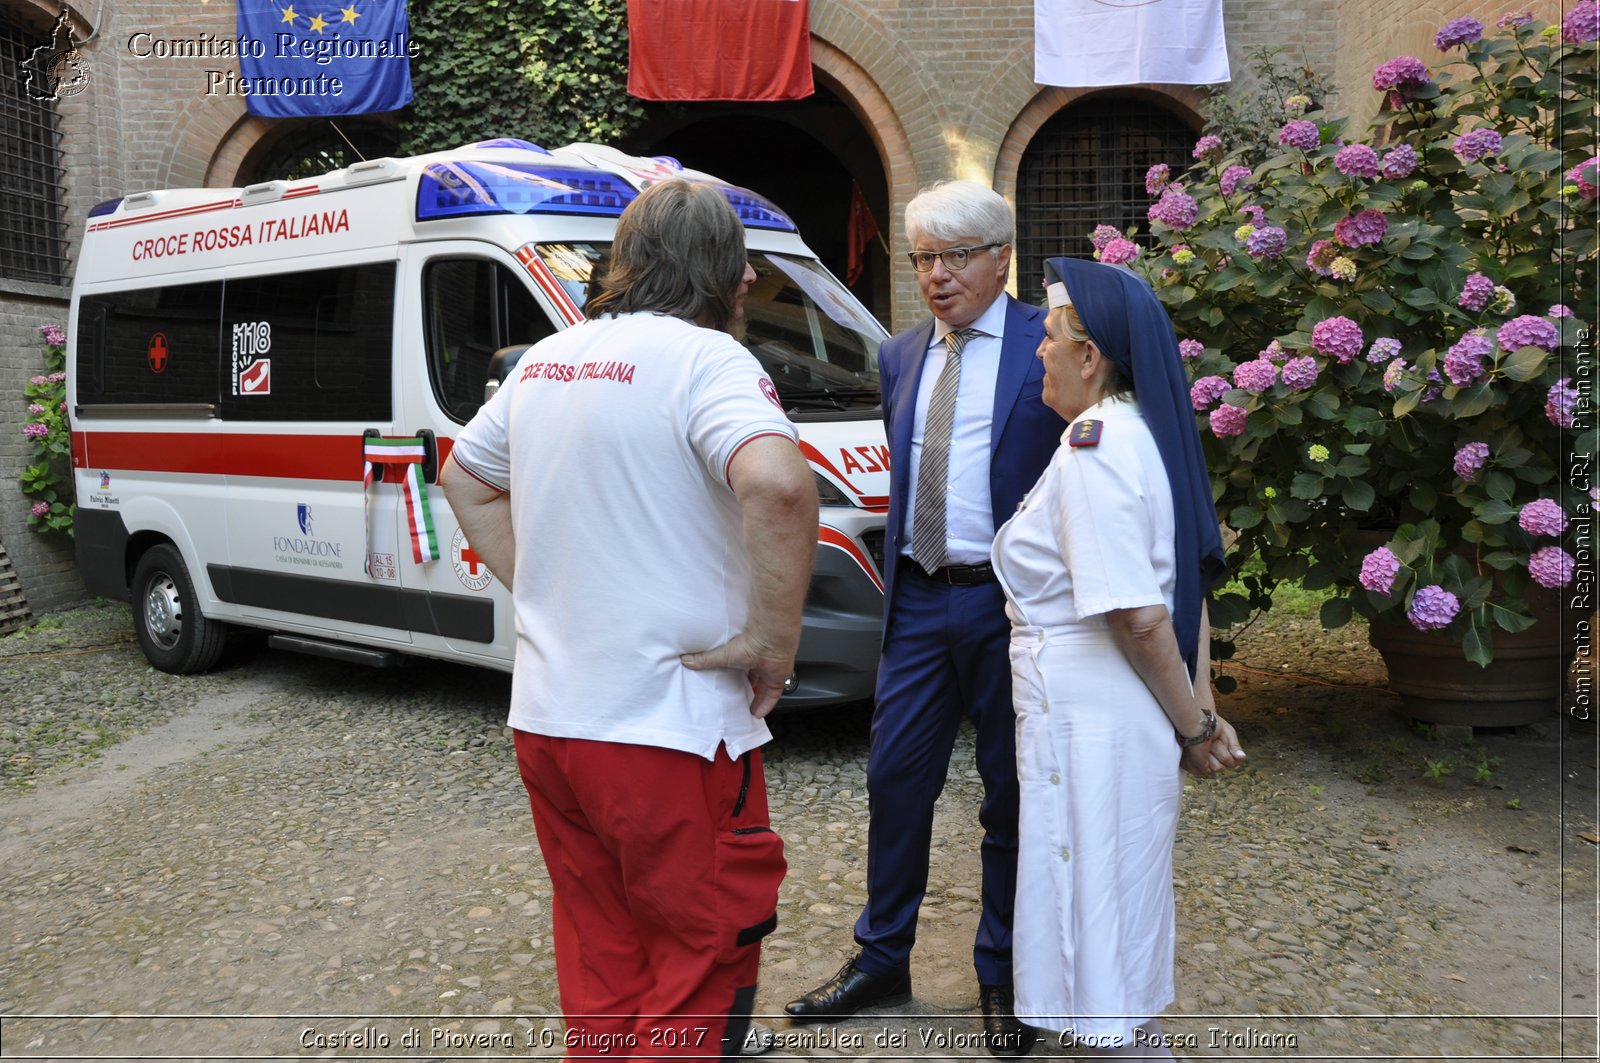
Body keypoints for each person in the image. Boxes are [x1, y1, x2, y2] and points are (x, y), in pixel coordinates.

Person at [440, 178, 818, 1059]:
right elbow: (778, 484)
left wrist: (539, 585)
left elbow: (463, 475)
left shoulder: (547, 358)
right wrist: (772, 640)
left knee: (601, 945)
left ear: (623, 266)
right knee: (698, 960)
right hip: (669, 729)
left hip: (551, 717)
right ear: (735, 284)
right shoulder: (709, 360)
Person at [784, 180, 1066, 1057]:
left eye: (955, 257)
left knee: (1009, 794)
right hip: (914, 598)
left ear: (999, 259)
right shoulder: (901, 354)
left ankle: (1004, 973)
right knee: (894, 780)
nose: (936, 277)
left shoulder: (1046, 346)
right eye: (922, 259)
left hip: (1008, 605)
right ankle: (883, 956)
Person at [990, 256, 1245, 1057]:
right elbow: (1183, 590)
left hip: (1091, 713)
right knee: (1111, 897)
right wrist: (1197, 709)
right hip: (1104, 708)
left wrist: (1197, 726)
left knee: (1093, 901)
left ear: (1091, 355)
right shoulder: (1137, 435)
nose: (1038, 351)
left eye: (1051, 337)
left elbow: (1140, 615)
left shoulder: (1096, 445)